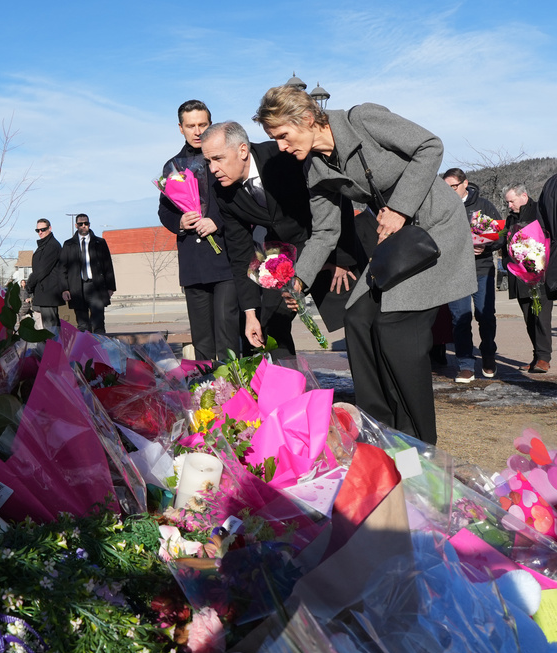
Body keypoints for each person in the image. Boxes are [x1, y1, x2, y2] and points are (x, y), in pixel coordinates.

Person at [254, 86, 476, 444]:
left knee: (394, 327)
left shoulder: (363, 120)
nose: (281, 146)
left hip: (436, 232)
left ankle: (418, 441)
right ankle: (381, 429)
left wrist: (401, 208)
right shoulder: (316, 169)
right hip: (398, 244)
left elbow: (430, 145)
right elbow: (325, 232)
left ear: (307, 119)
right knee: (356, 317)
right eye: (273, 138)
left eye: (283, 135)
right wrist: (298, 282)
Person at [201, 120, 357, 358]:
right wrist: (250, 313)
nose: (212, 169)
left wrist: (341, 257)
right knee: (269, 325)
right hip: (283, 256)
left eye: (218, 159)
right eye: (208, 161)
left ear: (242, 150)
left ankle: (374, 393)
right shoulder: (222, 191)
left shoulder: (282, 156)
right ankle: (288, 390)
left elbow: (334, 196)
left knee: (355, 321)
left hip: (325, 243)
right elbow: (241, 254)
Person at [157, 100, 240, 361]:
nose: (197, 131)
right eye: (190, 125)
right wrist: (180, 222)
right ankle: (208, 393)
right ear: (180, 128)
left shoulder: (223, 157)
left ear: (211, 124)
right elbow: (165, 210)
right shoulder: (172, 166)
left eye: (202, 124)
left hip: (226, 259)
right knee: (202, 339)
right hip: (193, 264)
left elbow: (239, 200)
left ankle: (235, 392)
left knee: (227, 332)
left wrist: (216, 220)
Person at [442, 168, 503, 381]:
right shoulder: (442, 206)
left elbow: (500, 236)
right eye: (446, 187)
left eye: (454, 187)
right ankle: (466, 365)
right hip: (454, 271)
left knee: (485, 316)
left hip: (481, 269)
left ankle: (488, 355)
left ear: (465, 183)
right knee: (460, 318)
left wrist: (486, 247)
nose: (450, 191)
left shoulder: (484, 205)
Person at [503, 182, 551, 373]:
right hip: (520, 275)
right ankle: (536, 356)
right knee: (529, 318)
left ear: (524, 196)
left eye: (511, 201)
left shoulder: (540, 211)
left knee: (541, 317)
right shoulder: (510, 219)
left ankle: (544, 358)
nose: (509, 206)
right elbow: (504, 241)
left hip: (540, 274)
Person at [59, 214, 116, 333]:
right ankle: (85, 350)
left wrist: (110, 287)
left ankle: (100, 349)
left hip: (96, 286)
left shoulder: (99, 242)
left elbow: (108, 266)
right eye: (81, 224)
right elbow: (63, 268)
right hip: (77, 288)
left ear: (89, 224)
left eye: (86, 223)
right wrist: (65, 289)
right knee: (83, 325)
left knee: (98, 323)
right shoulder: (68, 244)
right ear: (76, 226)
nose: (84, 226)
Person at [25, 218, 64, 329]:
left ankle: (54, 346)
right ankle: (49, 346)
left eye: (43, 229)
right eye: (38, 230)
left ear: (50, 228)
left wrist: (29, 285)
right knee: (45, 328)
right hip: (43, 293)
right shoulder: (45, 245)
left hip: (49, 293)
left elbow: (41, 270)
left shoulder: (52, 245)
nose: (40, 232)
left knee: (50, 328)